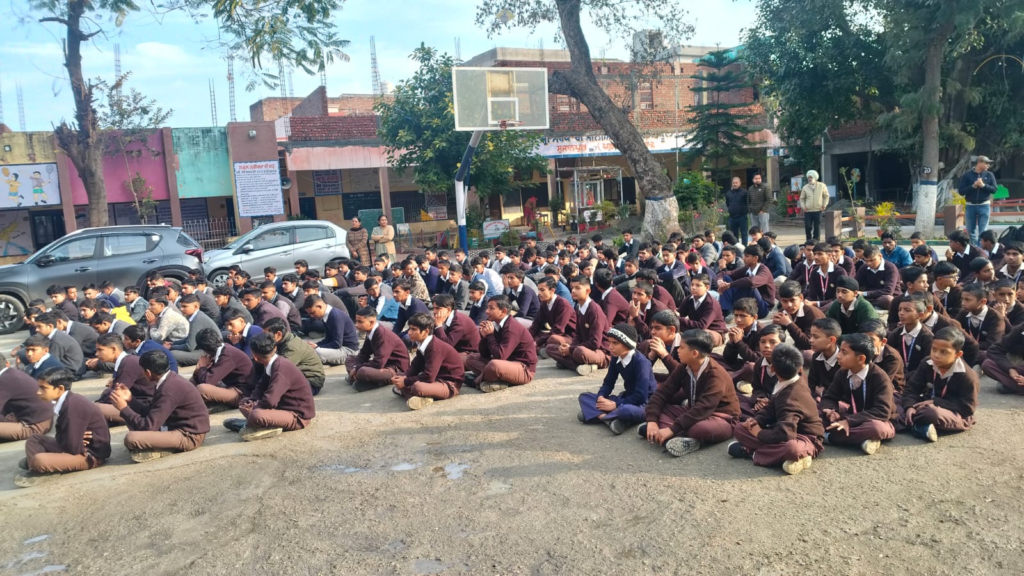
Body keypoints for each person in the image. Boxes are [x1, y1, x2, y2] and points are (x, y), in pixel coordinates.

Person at [728, 344, 824, 475]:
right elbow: (771, 408)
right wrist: (756, 420)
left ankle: (753, 453)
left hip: (805, 437)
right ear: (800, 367)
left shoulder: (791, 398)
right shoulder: (793, 379)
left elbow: (785, 434)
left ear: (772, 368)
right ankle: (787, 457)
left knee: (792, 448)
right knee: (740, 428)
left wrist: (759, 433)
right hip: (781, 428)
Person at [15, 368, 111, 487]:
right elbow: (62, 437)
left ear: (60, 389)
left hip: (90, 455)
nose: (38, 392)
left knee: (39, 460)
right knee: (34, 439)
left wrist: (71, 438)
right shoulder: (66, 401)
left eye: (43, 388)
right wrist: (72, 437)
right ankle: (41, 465)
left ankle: (40, 465)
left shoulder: (72, 406)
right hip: (73, 446)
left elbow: (73, 449)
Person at [110, 350, 211, 463]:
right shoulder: (168, 379)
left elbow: (148, 427)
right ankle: (162, 443)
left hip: (189, 435)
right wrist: (130, 400)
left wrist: (123, 408)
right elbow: (150, 412)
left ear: (148, 372)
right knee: (133, 424)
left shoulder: (168, 389)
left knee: (131, 439)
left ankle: (165, 448)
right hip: (174, 426)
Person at [222, 334, 315, 442]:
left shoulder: (280, 367)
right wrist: (252, 400)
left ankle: (253, 424)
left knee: (256, 414)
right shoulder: (273, 363)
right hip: (282, 409)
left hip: (298, 416)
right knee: (244, 403)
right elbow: (261, 387)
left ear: (255, 357)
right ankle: (259, 423)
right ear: (275, 348)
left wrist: (256, 407)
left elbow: (270, 400)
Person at [819, 334, 897, 455]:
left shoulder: (879, 377)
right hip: (851, 415)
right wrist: (831, 410)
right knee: (816, 414)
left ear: (861, 359)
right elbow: (829, 397)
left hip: (875, 420)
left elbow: (882, 411)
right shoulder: (842, 372)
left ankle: (828, 437)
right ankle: (862, 440)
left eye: (844, 352)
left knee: (876, 428)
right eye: (840, 351)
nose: (838, 356)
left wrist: (848, 422)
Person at [902, 327, 979, 442]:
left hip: (953, 412)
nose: (936, 355)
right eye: (934, 349)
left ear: (958, 354)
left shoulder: (967, 376)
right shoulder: (927, 363)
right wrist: (910, 406)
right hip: (925, 404)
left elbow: (967, 408)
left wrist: (935, 402)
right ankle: (920, 426)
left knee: (932, 413)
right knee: (895, 398)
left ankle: (910, 424)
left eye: (943, 352)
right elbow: (911, 388)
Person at [577, 324, 656, 435]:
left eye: (615, 343)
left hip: (645, 403)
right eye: (609, 342)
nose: (610, 347)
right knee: (584, 397)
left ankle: (597, 415)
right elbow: (608, 383)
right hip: (627, 398)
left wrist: (616, 405)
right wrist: (601, 396)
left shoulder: (641, 362)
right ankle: (608, 419)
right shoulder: (616, 358)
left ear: (628, 344)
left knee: (625, 410)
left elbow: (641, 396)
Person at [390, 313, 465, 411]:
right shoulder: (422, 343)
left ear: (425, 332)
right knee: (400, 377)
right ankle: (422, 397)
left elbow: (429, 377)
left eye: (413, 329)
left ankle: (416, 395)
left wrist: (405, 382)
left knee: (417, 387)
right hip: (436, 379)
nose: (409, 332)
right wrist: (405, 376)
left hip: (449, 384)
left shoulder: (435, 348)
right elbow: (416, 365)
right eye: (409, 329)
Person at [463, 296, 538, 392]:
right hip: (506, 364)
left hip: (524, 370)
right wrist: (485, 336)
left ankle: (476, 381)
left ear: (503, 311)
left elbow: (500, 356)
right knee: (471, 358)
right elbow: (484, 354)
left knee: (494, 365)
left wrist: (490, 335)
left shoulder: (511, 328)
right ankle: (498, 379)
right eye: (487, 307)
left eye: (491, 308)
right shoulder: (495, 324)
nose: (487, 311)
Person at [546, 277, 610, 376]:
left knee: (579, 351)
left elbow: (595, 343)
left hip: (600, 352)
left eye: (578, 288)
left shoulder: (594, 310)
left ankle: (571, 363)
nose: (573, 291)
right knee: (550, 348)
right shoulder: (579, 307)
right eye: (572, 288)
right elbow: (578, 335)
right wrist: (571, 347)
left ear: (588, 291)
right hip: (583, 347)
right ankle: (580, 365)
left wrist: (571, 349)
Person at [93, 333, 157, 425]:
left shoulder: (128, 364)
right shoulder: (126, 360)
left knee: (94, 408)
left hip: (142, 407)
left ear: (113, 349)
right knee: (105, 394)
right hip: (136, 402)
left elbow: (115, 395)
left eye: (100, 350)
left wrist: (99, 403)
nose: (96, 354)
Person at [345, 307, 411, 392]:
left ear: (371, 322)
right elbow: (364, 353)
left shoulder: (383, 335)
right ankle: (363, 379)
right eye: (356, 321)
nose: (356, 325)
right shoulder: (370, 332)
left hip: (395, 369)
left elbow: (378, 363)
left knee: (362, 371)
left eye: (360, 322)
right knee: (350, 359)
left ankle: (377, 381)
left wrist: (357, 369)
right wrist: (355, 366)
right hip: (382, 365)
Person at [189, 328, 255, 410]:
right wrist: (198, 370)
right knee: (192, 382)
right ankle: (185, 400)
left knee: (202, 389)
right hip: (230, 387)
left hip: (241, 393)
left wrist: (202, 366)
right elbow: (200, 378)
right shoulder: (221, 350)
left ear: (205, 349)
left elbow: (207, 381)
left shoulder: (227, 354)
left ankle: (190, 404)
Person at [0, 352, 53, 442]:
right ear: (6, 363)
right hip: (44, 420)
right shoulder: (11, 373)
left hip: (34, 426)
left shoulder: (3, 381)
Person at [740, 324, 788, 418]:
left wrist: (769, 404)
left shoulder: (789, 364)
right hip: (766, 404)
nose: (766, 346)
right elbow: (757, 387)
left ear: (782, 344)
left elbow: (792, 393)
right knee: (736, 399)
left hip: (783, 406)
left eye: (773, 342)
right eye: (762, 342)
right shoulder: (759, 363)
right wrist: (760, 399)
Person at [717, 245, 776, 318]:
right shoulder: (747, 268)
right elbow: (725, 273)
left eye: (747, 256)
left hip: (762, 308)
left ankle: (731, 311)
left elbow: (751, 281)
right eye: (744, 256)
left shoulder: (764, 271)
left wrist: (730, 284)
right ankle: (726, 311)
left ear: (755, 258)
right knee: (726, 278)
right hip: (748, 303)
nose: (743, 258)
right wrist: (720, 281)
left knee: (749, 287)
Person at [713, 297, 761, 384]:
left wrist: (739, 342)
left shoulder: (761, 332)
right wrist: (731, 342)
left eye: (742, 316)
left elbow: (757, 360)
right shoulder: (739, 329)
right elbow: (729, 359)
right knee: (711, 356)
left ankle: (726, 380)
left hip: (758, 368)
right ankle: (735, 376)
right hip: (743, 364)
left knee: (751, 367)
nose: (738, 320)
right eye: (736, 315)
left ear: (755, 317)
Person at [955, 282, 1005, 364]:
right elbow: (954, 331)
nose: (963, 303)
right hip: (967, 350)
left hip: (983, 353)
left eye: (967, 300)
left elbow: (991, 343)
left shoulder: (996, 317)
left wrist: (968, 346)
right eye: (962, 299)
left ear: (982, 301)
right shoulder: (963, 313)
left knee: (983, 355)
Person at [303, 295, 359, 366]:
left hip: (349, 352)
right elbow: (328, 339)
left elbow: (337, 343)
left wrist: (317, 347)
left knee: (317, 352)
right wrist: (316, 345)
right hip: (340, 348)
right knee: (311, 350)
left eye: (312, 312)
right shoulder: (327, 315)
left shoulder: (335, 316)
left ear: (319, 306)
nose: (311, 316)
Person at [773, 280, 824, 353]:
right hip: (800, 346)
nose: (789, 305)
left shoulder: (812, 313)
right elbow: (775, 337)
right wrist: (774, 325)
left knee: (807, 354)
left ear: (801, 298)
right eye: (784, 301)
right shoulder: (783, 311)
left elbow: (809, 344)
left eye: (792, 300)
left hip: (819, 349)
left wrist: (789, 324)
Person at [169, 294, 220, 367]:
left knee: (172, 354)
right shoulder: (195, 316)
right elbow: (189, 338)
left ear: (195, 307)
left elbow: (189, 347)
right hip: (202, 348)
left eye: (185, 306)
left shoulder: (197, 319)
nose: (181, 309)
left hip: (208, 352)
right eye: (181, 306)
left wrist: (171, 347)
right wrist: (172, 344)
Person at [958, 155, 998, 246]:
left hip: (984, 205)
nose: (988, 165)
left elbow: (994, 190)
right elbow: (961, 191)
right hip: (970, 205)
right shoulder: (967, 175)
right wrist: (973, 186)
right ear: (979, 163)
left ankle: (980, 249)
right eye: (986, 163)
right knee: (970, 230)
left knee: (983, 230)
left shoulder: (989, 175)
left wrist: (983, 186)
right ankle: (973, 248)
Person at [678, 274, 728, 346]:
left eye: (698, 285)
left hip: (714, 332)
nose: (693, 288)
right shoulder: (689, 299)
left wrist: (679, 319)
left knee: (699, 334)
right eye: (692, 285)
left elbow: (702, 326)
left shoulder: (711, 304)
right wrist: (675, 316)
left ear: (707, 287)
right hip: (696, 329)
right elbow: (679, 313)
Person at [530, 277, 576, 353]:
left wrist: (537, 343)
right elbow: (536, 324)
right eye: (538, 290)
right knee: (531, 334)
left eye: (542, 290)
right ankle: (541, 349)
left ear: (552, 290)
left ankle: (542, 349)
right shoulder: (544, 303)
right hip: (557, 334)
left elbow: (558, 330)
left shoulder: (563, 304)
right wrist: (527, 338)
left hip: (570, 336)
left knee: (553, 339)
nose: (539, 293)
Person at [807, 318, 842, 401]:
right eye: (811, 336)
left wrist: (823, 392)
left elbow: (843, 392)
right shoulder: (816, 357)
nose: (811, 340)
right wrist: (815, 397)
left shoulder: (844, 361)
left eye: (816, 337)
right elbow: (811, 384)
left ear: (831, 340)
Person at [804, 242, 847, 309]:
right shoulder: (815, 272)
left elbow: (838, 298)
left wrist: (817, 303)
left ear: (829, 255)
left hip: (836, 306)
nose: (816, 257)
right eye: (815, 254)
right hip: (819, 305)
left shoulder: (839, 272)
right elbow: (812, 294)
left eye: (820, 254)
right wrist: (807, 301)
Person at [855, 244, 900, 309]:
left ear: (880, 256)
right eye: (866, 261)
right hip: (870, 298)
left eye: (872, 260)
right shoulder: (864, 267)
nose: (869, 263)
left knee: (887, 299)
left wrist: (864, 293)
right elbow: (856, 283)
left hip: (887, 297)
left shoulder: (890, 268)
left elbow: (888, 291)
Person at [798, 170, 829, 241]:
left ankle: (816, 241)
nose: (809, 179)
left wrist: (824, 205)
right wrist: (803, 207)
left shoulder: (822, 186)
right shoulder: (805, 187)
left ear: (815, 178)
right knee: (808, 226)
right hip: (808, 211)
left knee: (817, 227)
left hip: (818, 210)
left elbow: (826, 196)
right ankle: (808, 241)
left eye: (811, 177)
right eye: (808, 177)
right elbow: (802, 198)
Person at [725, 177, 749, 244]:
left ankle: (744, 248)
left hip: (742, 217)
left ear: (740, 183)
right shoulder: (728, 193)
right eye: (733, 183)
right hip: (732, 217)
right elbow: (727, 204)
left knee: (744, 234)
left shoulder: (745, 192)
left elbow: (748, 203)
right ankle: (736, 248)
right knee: (734, 235)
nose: (735, 184)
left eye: (736, 183)